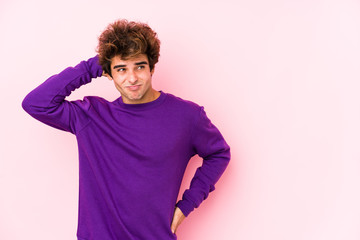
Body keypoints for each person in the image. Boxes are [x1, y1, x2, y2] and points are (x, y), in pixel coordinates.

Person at [22, 19, 231, 240]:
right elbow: (36, 103)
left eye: (139, 66)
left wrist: (185, 207)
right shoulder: (91, 117)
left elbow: (219, 153)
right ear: (108, 73)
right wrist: (92, 66)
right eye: (121, 69)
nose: (132, 78)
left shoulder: (187, 116)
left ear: (151, 67)